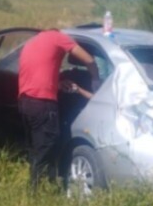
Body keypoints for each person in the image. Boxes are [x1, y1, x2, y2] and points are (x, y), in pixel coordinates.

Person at [17, 30, 99, 190]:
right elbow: (89, 60)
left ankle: (38, 187)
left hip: (25, 102)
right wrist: (96, 78)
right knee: (48, 147)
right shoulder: (58, 37)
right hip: (42, 103)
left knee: (36, 148)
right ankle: (40, 192)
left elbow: (37, 73)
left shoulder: (32, 42)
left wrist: (57, 85)